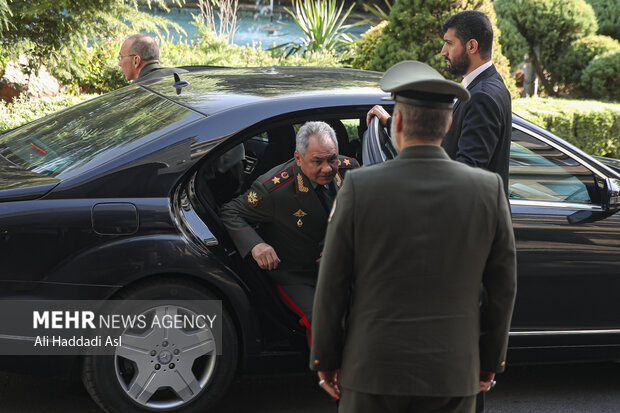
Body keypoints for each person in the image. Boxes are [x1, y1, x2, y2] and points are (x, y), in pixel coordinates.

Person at [311, 61, 517, 413]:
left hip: (372, 371)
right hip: (452, 374)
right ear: (449, 123)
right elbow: (502, 288)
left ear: (399, 123)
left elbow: (333, 284)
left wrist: (326, 361)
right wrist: (489, 362)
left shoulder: (360, 186)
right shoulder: (488, 189)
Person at [220, 121, 359, 344]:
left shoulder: (350, 169)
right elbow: (230, 212)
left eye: (332, 158)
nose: (327, 168)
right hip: (298, 274)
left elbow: (362, 215)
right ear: (298, 158)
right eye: (317, 161)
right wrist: (256, 244)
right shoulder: (273, 189)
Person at [366, 10, 512, 196]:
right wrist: (393, 123)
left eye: (449, 43)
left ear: (472, 46)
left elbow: (466, 172)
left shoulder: (481, 96)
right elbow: (449, 141)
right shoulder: (488, 85)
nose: (443, 52)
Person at [118, 34, 188, 83]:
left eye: (121, 57)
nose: (119, 64)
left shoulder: (138, 90)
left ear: (136, 61)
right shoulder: (185, 75)